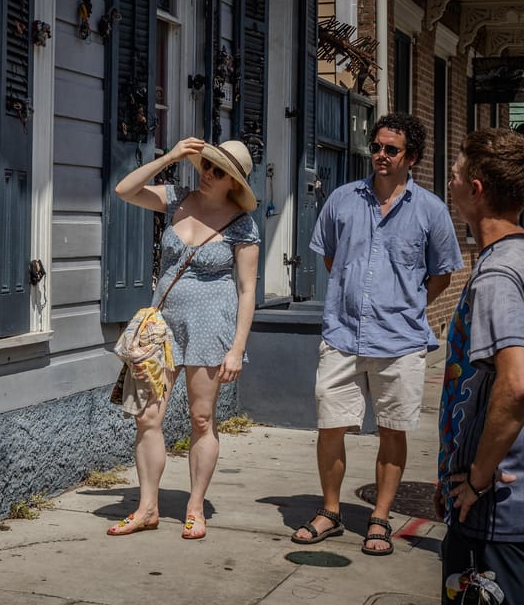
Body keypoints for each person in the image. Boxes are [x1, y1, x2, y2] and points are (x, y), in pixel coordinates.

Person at [291, 112, 463, 555]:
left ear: (414, 158)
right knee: (331, 426)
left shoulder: (431, 211)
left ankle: (380, 517)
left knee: (392, 430)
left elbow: (441, 273)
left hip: (401, 341)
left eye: (392, 149)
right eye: (377, 146)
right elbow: (332, 258)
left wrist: (406, 307)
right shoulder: (343, 200)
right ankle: (329, 511)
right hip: (343, 335)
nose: (381, 155)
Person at [107, 138, 260, 540]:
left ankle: (195, 506)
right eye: (206, 166)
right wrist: (172, 157)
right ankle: (148, 507)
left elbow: (247, 290)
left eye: (219, 171)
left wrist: (238, 348)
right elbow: (124, 190)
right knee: (147, 418)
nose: (208, 174)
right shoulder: (177, 198)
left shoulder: (242, 224)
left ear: (234, 183)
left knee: (201, 418)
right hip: (161, 328)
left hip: (211, 327)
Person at [436, 128, 524, 603]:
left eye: (453, 176)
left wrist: (476, 479)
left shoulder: (498, 276)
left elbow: (515, 388)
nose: (449, 185)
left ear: (476, 189)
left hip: (496, 515)